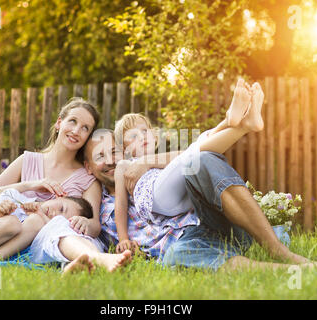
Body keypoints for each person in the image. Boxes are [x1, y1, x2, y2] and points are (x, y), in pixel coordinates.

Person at [74, 125, 317, 271]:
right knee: (178, 257)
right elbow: (87, 233)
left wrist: (146, 162)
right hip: (184, 243)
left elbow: (183, 159)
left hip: (207, 219)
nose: (110, 161)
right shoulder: (99, 207)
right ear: (88, 167)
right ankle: (306, 271)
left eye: (114, 152)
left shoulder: (137, 171)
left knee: (202, 159)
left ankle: (279, 251)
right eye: (100, 157)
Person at [112, 79, 264, 253]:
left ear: (154, 137)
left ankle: (232, 121)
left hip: (186, 202)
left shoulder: (161, 158)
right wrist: (123, 238)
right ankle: (237, 124)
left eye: (144, 131)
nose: (141, 137)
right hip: (158, 198)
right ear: (125, 149)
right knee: (189, 155)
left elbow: (187, 156)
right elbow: (121, 205)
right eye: (132, 136)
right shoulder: (124, 165)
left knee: (193, 156)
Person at [0, 98, 102, 261]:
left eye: (85, 128)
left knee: (36, 222)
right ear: (59, 123)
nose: (76, 130)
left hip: (25, 250)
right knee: (16, 222)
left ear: (88, 137)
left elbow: (95, 225)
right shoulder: (27, 161)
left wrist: (84, 223)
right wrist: (30, 185)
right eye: (72, 121)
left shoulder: (88, 180)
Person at [0, 188, 94, 260]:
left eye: (59, 219)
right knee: (12, 223)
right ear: (58, 197)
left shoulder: (40, 232)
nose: (55, 214)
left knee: (35, 221)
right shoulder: (14, 197)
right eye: (61, 208)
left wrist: (42, 218)